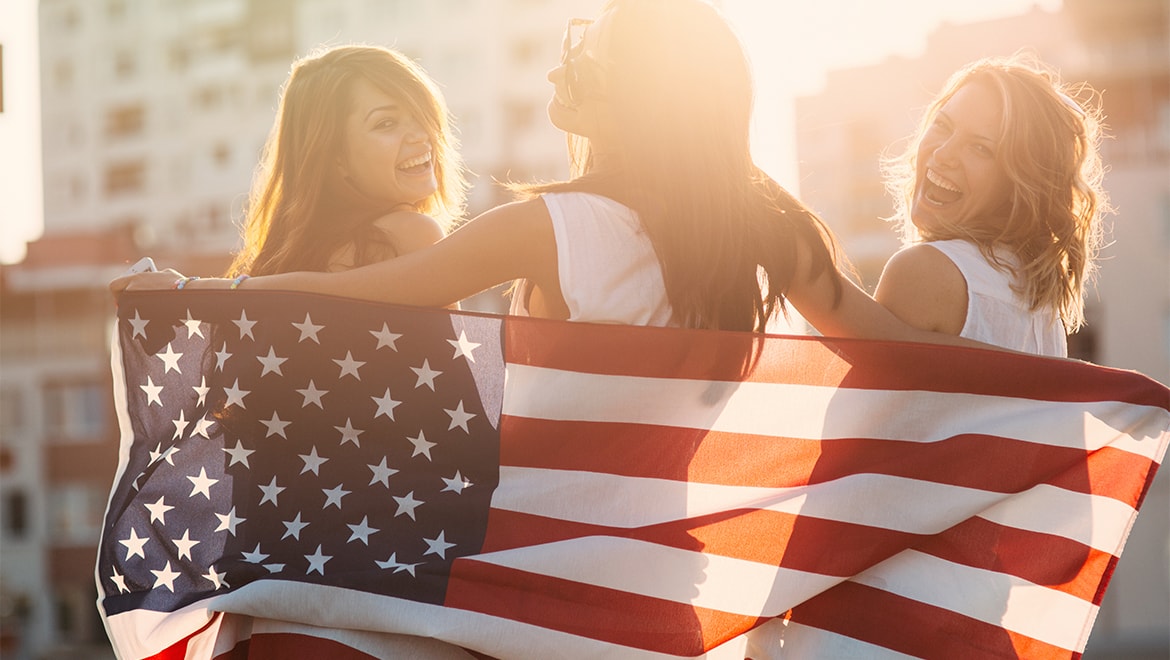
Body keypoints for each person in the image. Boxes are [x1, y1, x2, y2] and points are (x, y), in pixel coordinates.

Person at [113, 0, 985, 348]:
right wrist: (1062, 392)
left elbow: (365, 294)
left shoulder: (548, 227)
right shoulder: (765, 222)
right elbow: (895, 355)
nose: (560, 69)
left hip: (552, 577)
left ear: (634, 96)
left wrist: (194, 294)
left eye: (586, 55)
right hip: (676, 580)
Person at [875, 54, 1108, 356]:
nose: (944, 153)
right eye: (943, 125)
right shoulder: (1041, 311)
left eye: (980, 147)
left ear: (1016, 185)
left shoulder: (924, 271)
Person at [229, 44, 467, 279]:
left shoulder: (291, 259)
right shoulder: (411, 234)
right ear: (335, 156)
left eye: (422, 114)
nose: (422, 135)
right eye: (386, 123)